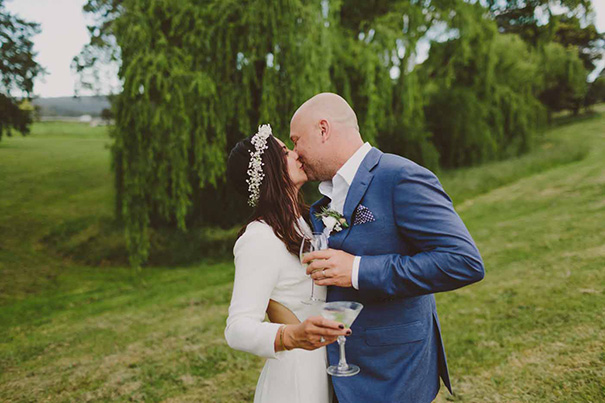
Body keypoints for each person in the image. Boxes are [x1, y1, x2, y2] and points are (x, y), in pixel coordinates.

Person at [290, 93, 485, 402]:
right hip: (340, 368)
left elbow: (463, 261)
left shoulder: (400, 177)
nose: (295, 153)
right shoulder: (324, 201)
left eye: (296, 141)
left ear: (323, 130)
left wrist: (357, 269)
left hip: (393, 371)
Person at [224, 124, 347, 403]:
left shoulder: (307, 221)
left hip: (327, 367)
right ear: (270, 170)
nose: (296, 153)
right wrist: (292, 336)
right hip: (296, 380)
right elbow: (238, 329)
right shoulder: (259, 237)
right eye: (285, 152)